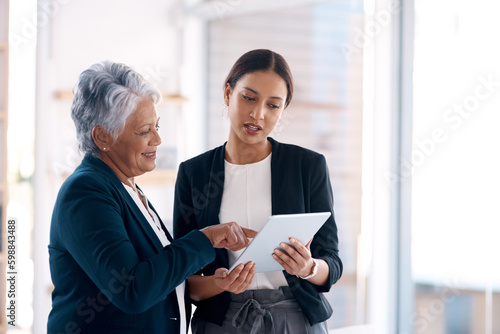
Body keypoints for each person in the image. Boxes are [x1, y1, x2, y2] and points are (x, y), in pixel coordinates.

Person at [47, 61, 256, 334]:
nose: (157, 139)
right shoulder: (86, 192)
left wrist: (218, 283)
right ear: (102, 137)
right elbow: (132, 289)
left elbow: (158, 278)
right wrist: (205, 239)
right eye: (144, 131)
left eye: (156, 126)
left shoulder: (127, 187)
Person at [173, 49, 343, 334]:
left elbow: (332, 262)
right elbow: (181, 274)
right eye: (248, 98)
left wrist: (307, 267)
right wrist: (220, 283)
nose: (258, 114)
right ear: (228, 93)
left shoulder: (308, 166)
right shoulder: (195, 173)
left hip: (295, 318)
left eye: (273, 105)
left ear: (283, 110)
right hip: (222, 320)